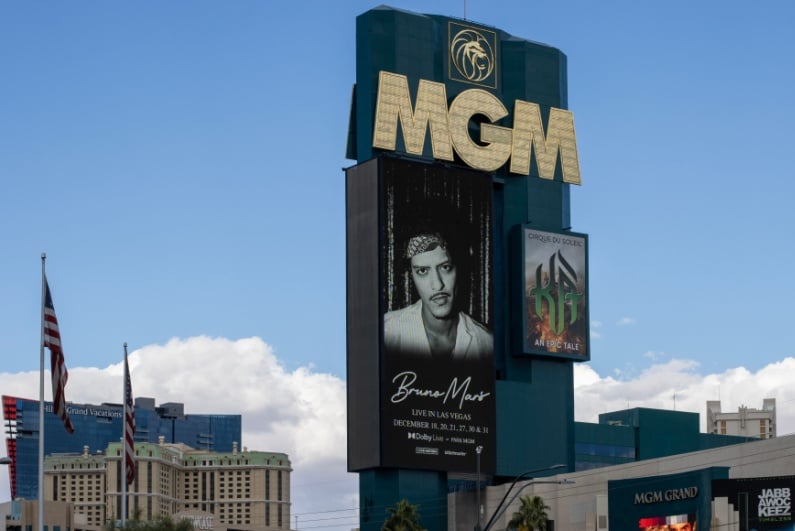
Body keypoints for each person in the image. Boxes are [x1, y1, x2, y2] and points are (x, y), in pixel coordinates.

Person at [383, 230, 492, 361]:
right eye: (422, 271)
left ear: (459, 269)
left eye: (445, 267)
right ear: (411, 276)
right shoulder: (387, 333)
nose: (437, 285)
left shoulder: (486, 343)